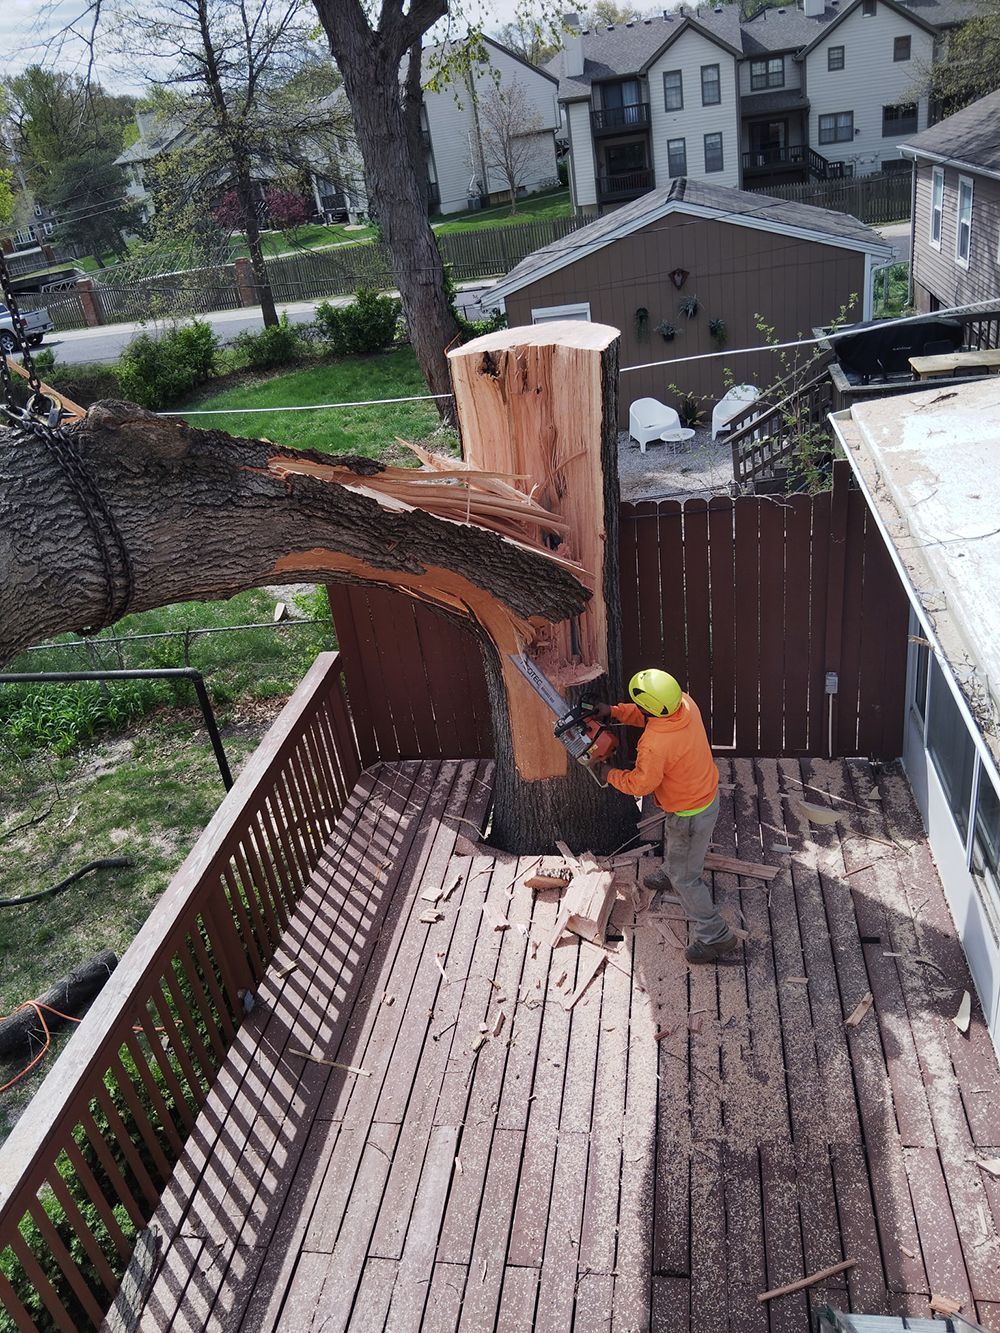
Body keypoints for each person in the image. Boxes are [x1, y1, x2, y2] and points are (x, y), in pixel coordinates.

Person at [593, 668, 738, 964]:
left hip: (690, 813)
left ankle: (715, 935)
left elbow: (642, 784)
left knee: (688, 878)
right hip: (702, 797)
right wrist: (614, 712)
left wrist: (610, 774)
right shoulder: (684, 703)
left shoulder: (654, 744)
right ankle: (673, 871)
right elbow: (648, 713)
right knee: (676, 841)